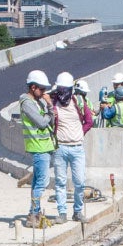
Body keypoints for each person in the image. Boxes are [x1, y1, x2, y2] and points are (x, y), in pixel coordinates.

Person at [50, 71, 95, 222]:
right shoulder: (53, 103)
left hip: (77, 148)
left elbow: (89, 121)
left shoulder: (79, 102)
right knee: (60, 182)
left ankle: (77, 211)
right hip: (60, 148)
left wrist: (79, 134)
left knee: (80, 182)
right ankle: (62, 213)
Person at [18, 69, 57, 228]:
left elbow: (51, 121)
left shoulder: (37, 101)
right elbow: (42, 122)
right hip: (38, 147)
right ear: (33, 87)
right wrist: (49, 107)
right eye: (41, 89)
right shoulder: (27, 103)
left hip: (45, 146)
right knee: (42, 182)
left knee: (37, 182)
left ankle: (35, 212)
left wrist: (49, 109)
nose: (43, 93)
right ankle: (33, 214)